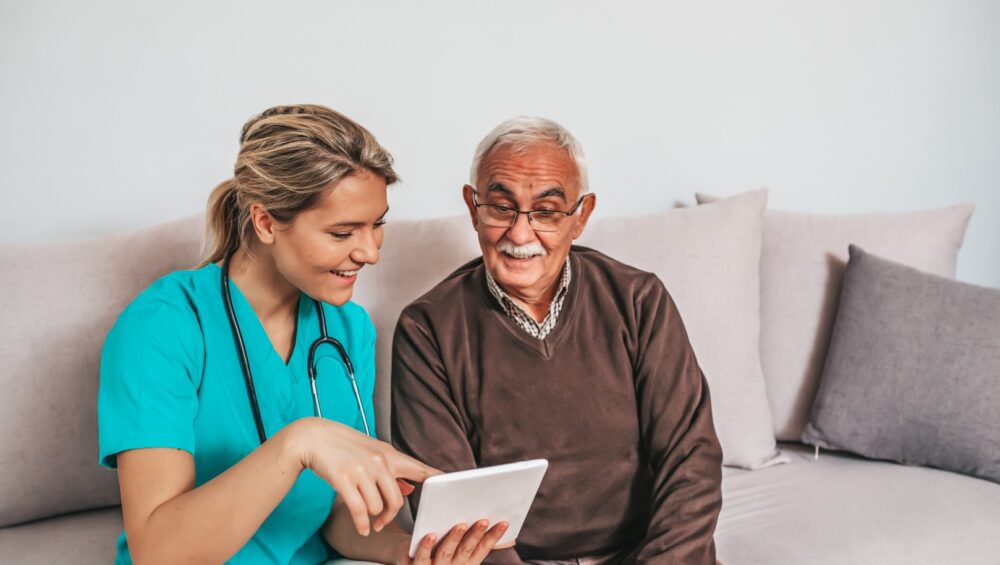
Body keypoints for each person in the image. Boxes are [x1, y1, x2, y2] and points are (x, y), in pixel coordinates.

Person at [98, 104, 507, 564]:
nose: (370, 252)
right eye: (342, 232)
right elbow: (159, 553)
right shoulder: (163, 328)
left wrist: (409, 554)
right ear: (266, 222)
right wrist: (299, 443)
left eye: (378, 225)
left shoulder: (348, 331)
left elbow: (336, 513)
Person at [391, 117, 724, 564]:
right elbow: (453, 510)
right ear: (473, 208)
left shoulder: (639, 300)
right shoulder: (426, 328)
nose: (520, 233)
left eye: (546, 212)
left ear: (580, 216)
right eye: (500, 207)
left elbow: (692, 461)